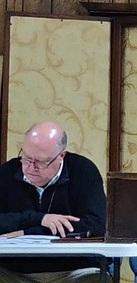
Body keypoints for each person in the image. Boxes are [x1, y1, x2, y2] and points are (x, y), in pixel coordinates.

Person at [0, 121, 109, 283]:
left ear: (61, 156)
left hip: (74, 271)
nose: (30, 168)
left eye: (41, 162)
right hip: (13, 272)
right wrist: (40, 218)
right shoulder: (7, 173)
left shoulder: (83, 170)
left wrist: (29, 232)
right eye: (26, 158)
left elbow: (95, 224)